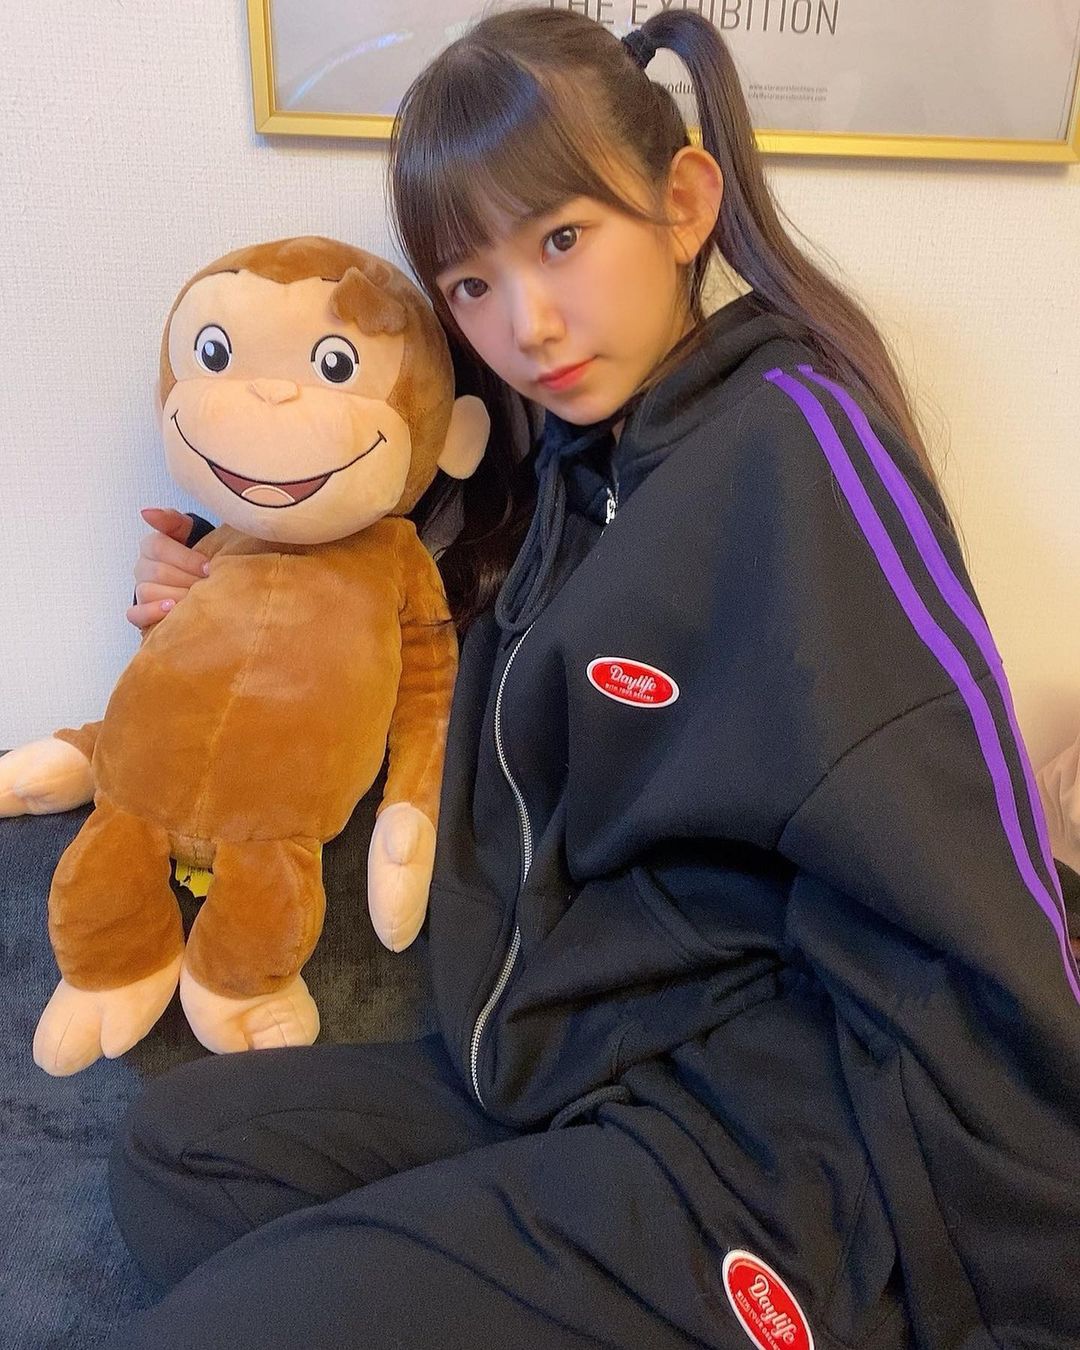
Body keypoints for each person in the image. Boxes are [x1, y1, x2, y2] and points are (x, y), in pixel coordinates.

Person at [105, 9, 1080, 1347]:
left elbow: (962, 848)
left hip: (774, 1131)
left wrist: (1028, 1269)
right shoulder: (576, 464)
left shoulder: (797, 450)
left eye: (562, 239)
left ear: (684, 204)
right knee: (179, 1158)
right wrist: (222, 582)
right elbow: (415, 639)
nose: (530, 322)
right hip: (564, 1060)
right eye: (472, 284)